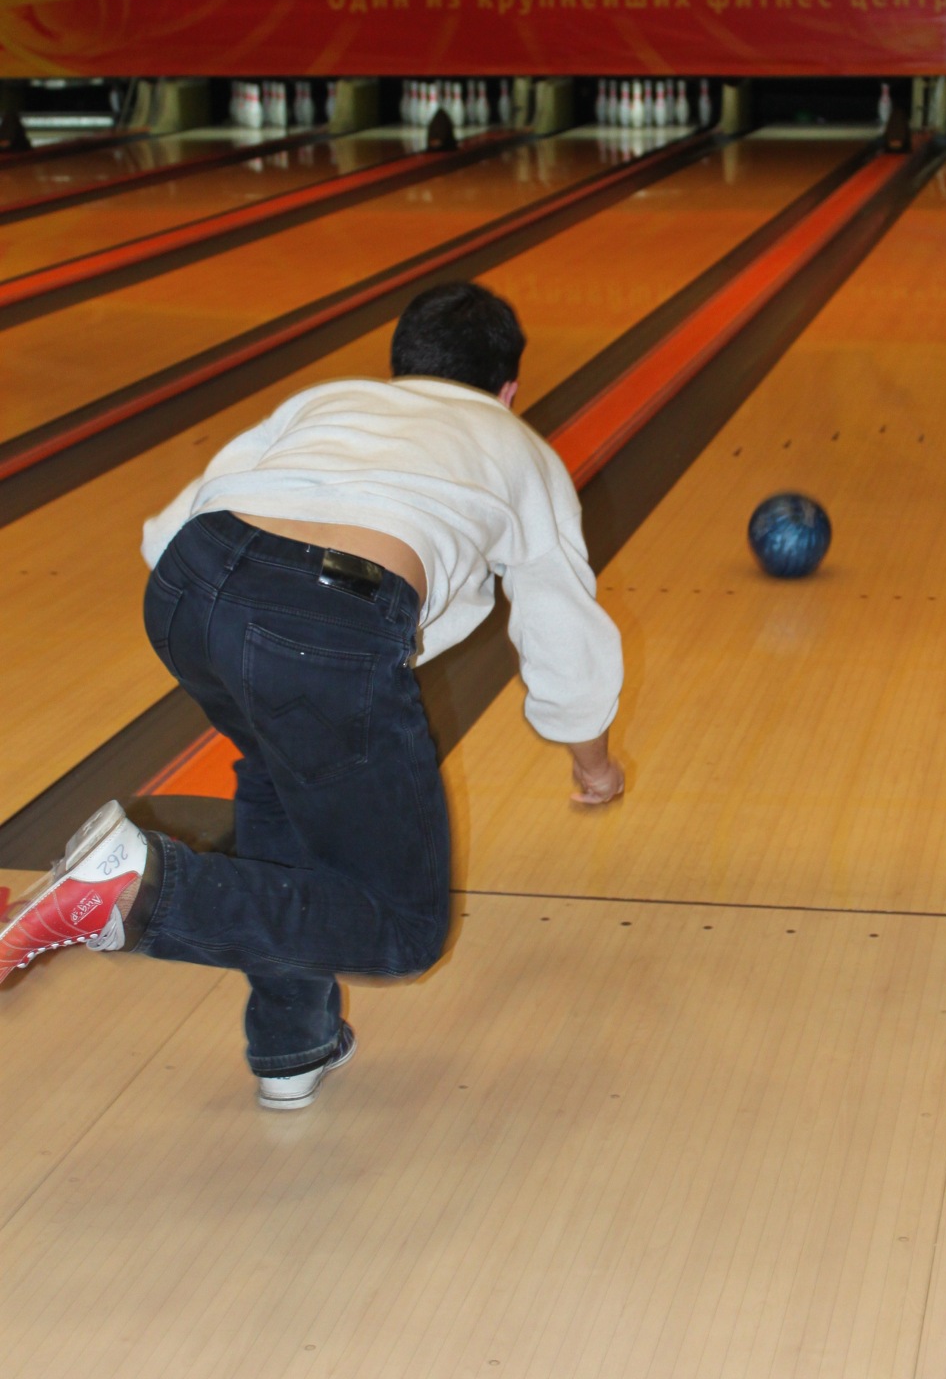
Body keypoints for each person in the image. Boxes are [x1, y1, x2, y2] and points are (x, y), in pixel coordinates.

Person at [0, 285, 625, 1110]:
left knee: (281, 775)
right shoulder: (519, 448)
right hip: (328, 617)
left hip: (185, 591)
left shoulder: (330, 401)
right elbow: (560, 626)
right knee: (405, 929)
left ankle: (293, 1042)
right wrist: (593, 760)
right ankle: (139, 885)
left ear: (401, 368)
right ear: (508, 390)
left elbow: (171, 528)